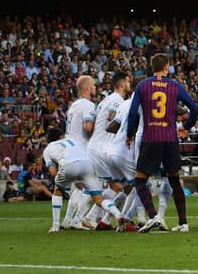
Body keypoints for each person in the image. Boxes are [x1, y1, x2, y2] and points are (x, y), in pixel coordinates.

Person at [123, 53, 198, 234]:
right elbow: (195, 109)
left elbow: (133, 112)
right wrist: (187, 126)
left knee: (140, 180)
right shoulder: (175, 86)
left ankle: (153, 216)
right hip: (171, 139)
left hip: (151, 138)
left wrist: (129, 134)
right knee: (174, 180)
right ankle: (183, 223)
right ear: (167, 67)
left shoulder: (142, 85)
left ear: (152, 67)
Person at [41, 130, 126, 234]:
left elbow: (53, 172)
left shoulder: (48, 148)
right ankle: (118, 215)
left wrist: (66, 180)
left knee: (58, 189)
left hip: (68, 165)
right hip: (87, 164)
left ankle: (55, 225)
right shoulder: (73, 140)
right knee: (98, 199)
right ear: (61, 136)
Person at [87, 71, 134, 230]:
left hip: (98, 147)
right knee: (123, 187)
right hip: (102, 148)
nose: (129, 85)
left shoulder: (107, 98)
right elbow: (112, 117)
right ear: (122, 85)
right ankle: (94, 218)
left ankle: (102, 220)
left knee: (118, 187)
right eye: (128, 82)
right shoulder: (116, 99)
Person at [60, 74, 98, 229]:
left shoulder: (73, 106)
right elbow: (88, 127)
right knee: (93, 187)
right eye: (93, 86)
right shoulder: (88, 105)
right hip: (82, 150)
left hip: (69, 149)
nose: (95, 88)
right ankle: (78, 220)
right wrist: (100, 130)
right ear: (87, 88)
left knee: (78, 187)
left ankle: (67, 220)